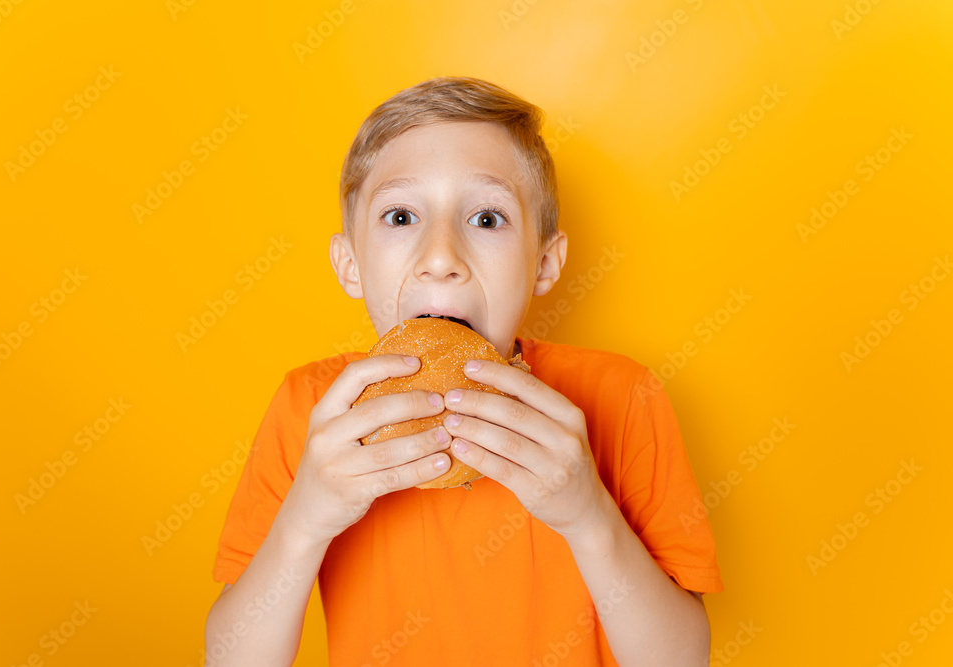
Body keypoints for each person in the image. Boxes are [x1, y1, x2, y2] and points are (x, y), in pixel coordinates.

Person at [205, 76, 723, 666]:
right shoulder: (310, 411)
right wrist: (303, 522)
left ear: (544, 263)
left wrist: (586, 513)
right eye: (401, 217)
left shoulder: (624, 397)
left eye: (486, 219)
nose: (441, 258)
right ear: (350, 265)